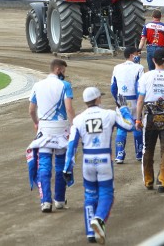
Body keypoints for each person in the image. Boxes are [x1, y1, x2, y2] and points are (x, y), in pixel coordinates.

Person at [63, 87, 133, 244]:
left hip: (87, 161)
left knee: (90, 195)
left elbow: (72, 145)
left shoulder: (78, 119)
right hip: (104, 160)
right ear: (97, 99)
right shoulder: (109, 114)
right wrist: (124, 109)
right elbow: (130, 126)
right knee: (107, 194)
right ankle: (99, 219)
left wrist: (67, 167)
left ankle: (90, 232)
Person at [28, 59, 75, 212]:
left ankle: (45, 201)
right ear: (58, 69)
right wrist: (73, 125)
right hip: (61, 129)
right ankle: (60, 200)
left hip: (45, 129)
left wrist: (36, 123)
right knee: (61, 164)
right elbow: (68, 109)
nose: (64, 74)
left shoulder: (37, 85)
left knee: (44, 164)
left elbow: (31, 110)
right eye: (64, 71)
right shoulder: (65, 86)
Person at [136, 48, 164, 192]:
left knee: (147, 148)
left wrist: (138, 119)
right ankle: (162, 181)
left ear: (153, 60)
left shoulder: (145, 77)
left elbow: (140, 100)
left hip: (149, 115)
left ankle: (148, 181)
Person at [110, 46, 145, 164]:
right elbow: (139, 86)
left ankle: (119, 155)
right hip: (134, 99)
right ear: (131, 55)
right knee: (137, 124)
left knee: (121, 127)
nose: (138, 55)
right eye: (136, 54)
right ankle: (139, 153)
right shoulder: (139, 67)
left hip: (121, 99)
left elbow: (113, 87)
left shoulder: (116, 67)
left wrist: (117, 100)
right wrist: (141, 101)